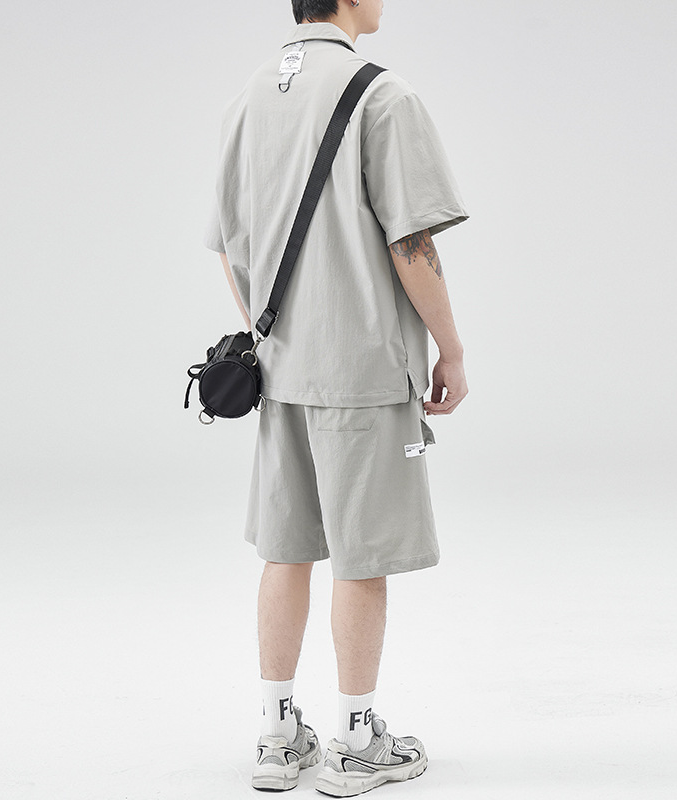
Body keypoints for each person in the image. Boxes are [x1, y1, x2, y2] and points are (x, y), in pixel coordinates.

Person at [203, 0, 469, 795]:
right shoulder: (382, 94)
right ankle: (356, 745)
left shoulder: (249, 96)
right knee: (362, 554)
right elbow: (411, 245)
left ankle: (278, 735)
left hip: (280, 369)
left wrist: (270, 334)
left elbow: (229, 245)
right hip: (362, 368)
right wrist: (451, 348)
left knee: (285, 549)